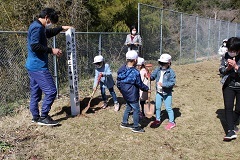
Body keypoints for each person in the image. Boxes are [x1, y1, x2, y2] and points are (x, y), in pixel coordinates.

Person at [25, 8, 72, 125]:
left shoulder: (38, 26)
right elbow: (35, 46)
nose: (50, 24)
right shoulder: (37, 27)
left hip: (32, 66)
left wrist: (61, 28)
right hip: (38, 66)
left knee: (35, 93)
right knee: (51, 91)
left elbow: (48, 34)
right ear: (46, 17)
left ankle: (35, 117)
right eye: (50, 21)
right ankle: (44, 117)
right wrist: (52, 50)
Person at [117, 50, 149, 133]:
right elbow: (139, 84)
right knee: (136, 109)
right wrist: (147, 88)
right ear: (135, 60)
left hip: (125, 93)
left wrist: (121, 90)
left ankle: (124, 123)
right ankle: (136, 126)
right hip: (132, 93)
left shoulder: (121, 69)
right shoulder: (135, 72)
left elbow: (118, 82)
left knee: (128, 106)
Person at [219, 37, 240, 141]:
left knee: (238, 109)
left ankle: (233, 120)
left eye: (233, 51)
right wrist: (228, 68)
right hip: (228, 86)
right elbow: (221, 70)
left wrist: (236, 67)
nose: (231, 53)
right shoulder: (225, 56)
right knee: (228, 107)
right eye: (229, 50)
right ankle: (230, 131)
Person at [149, 53, 176, 130]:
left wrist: (163, 84)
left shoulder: (171, 72)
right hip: (159, 92)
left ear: (168, 63)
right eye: (161, 63)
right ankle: (157, 119)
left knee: (168, 108)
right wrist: (149, 76)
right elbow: (152, 77)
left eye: (164, 63)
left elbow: (172, 82)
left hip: (167, 93)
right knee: (157, 107)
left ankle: (172, 122)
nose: (162, 65)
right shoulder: (158, 69)